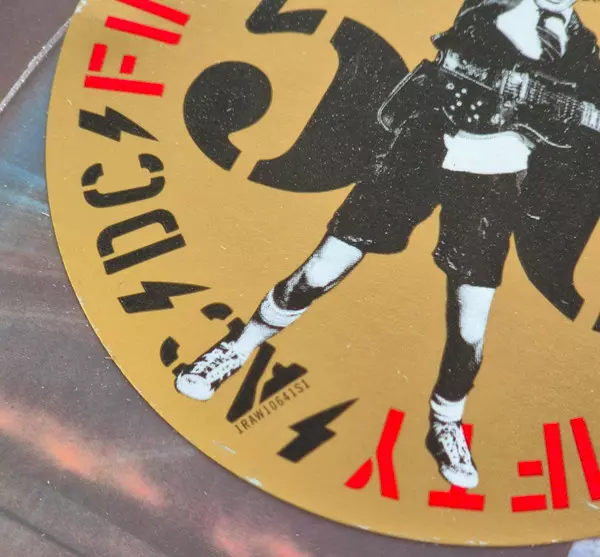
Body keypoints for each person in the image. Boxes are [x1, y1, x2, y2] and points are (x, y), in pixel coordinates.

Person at [175, 0, 599, 489]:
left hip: (493, 179)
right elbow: (490, 31)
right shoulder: (499, 6)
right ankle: (235, 349)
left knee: (471, 323)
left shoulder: (582, 45)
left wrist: (572, 108)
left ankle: (446, 422)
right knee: (321, 269)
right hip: (423, 145)